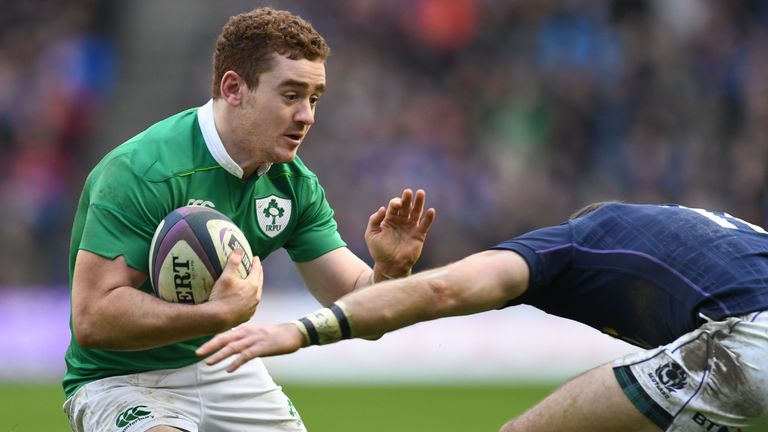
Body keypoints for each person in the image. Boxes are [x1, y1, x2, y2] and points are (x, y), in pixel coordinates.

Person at [63, 7, 435, 432]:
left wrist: (389, 270)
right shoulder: (142, 171)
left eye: (314, 98)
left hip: (226, 361)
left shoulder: (294, 187)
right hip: (119, 379)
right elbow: (93, 318)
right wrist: (217, 315)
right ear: (234, 88)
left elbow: (358, 305)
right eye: (291, 95)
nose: (307, 116)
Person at [198, 202, 768, 432]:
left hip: (747, 344)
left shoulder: (571, 244)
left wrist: (299, 330)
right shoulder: (714, 233)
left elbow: (444, 289)